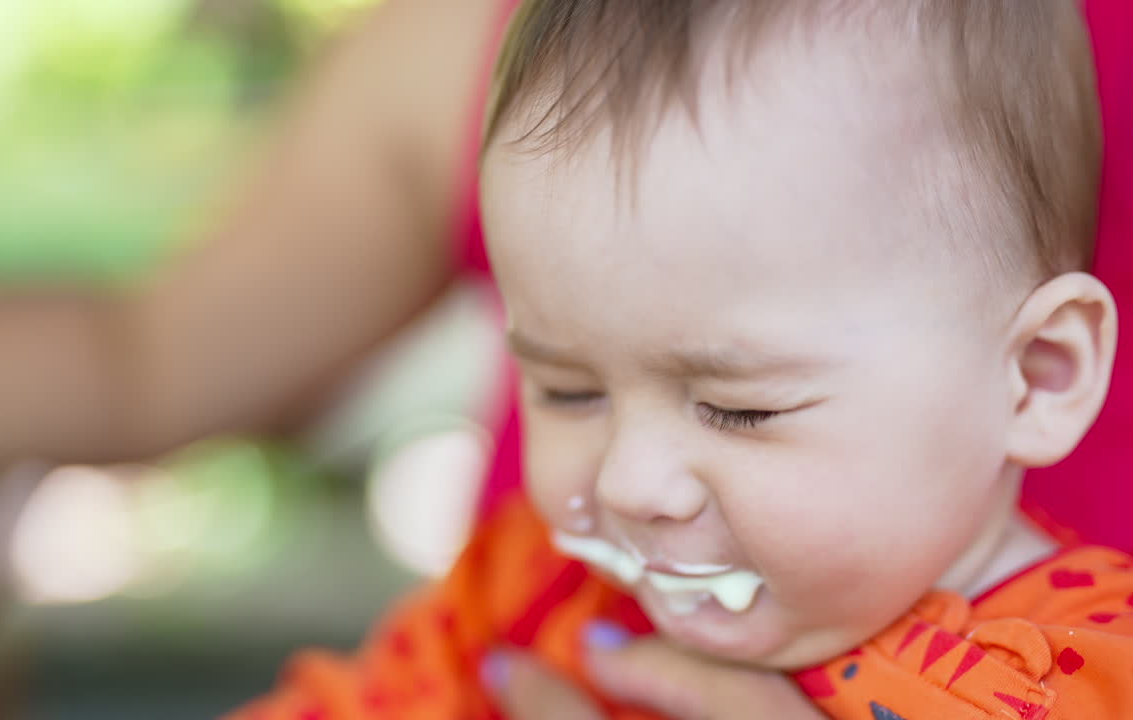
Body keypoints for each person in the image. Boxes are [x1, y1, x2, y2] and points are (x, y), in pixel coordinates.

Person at [223, 1, 1133, 719]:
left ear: (1036, 377)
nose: (629, 484)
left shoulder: (1097, 678)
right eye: (568, 391)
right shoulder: (532, 589)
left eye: (739, 409)